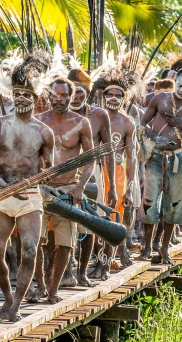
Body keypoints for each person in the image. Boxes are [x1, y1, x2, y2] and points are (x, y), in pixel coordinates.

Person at [0, 58, 55, 321]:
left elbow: (50, 169)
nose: (21, 99)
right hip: (1, 194)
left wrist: (36, 183)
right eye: (17, 94)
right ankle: (8, 298)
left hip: (30, 196)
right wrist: (2, 185)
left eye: (26, 95)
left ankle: (17, 305)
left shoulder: (44, 132)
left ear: (35, 98)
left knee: (30, 250)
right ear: (11, 96)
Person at [35, 77, 94, 303]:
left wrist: (80, 187)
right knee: (34, 241)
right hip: (42, 188)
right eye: (55, 95)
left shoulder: (80, 123)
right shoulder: (39, 121)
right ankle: (39, 284)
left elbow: (90, 159)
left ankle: (53, 289)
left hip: (68, 189)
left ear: (72, 96)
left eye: (63, 95)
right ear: (49, 96)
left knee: (64, 243)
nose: (58, 100)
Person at [138, 68, 182, 264]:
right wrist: (155, 138)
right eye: (179, 85)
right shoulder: (160, 99)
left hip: (177, 159)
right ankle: (147, 247)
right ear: (175, 82)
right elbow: (141, 124)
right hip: (156, 157)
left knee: (174, 203)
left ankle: (164, 249)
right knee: (149, 201)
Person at [89, 58, 144, 270]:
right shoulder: (91, 115)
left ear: (124, 98)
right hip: (94, 170)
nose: (113, 98)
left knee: (113, 215)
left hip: (118, 172)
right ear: (103, 96)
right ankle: (98, 258)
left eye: (118, 95)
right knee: (93, 215)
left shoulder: (127, 122)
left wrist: (129, 186)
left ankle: (109, 257)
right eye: (109, 94)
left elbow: (131, 156)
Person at [66, 67, 117, 286]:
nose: (76, 95)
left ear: (88, 92)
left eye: (80, 91)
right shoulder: (58, 114)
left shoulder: (98, 115)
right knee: (64, 221)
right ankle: (66, 270)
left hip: (91, 172)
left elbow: (109, 151)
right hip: (64, 172)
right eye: (73, 91)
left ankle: (83, 272)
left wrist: (112, 184)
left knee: (90, 221)